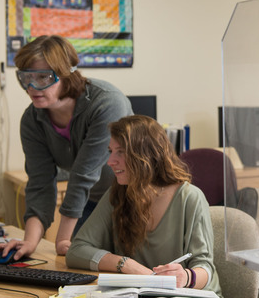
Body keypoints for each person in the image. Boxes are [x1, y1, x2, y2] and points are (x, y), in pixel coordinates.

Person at [0, 35, 132, 260]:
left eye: (43, 77)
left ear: (67, 73)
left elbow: (83, 175)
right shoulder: (32, 120)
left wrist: (62, 240)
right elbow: (40, 183)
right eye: (25, 78)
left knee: (129, 269)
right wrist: (30, 242)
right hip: (94, 200)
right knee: (77, 265)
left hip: (134, 199)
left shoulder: (106, 103)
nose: (31, 87)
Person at [66, 115, 223, 297]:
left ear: (145, 154)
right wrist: (126, 264)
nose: (110, 162)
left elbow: (205, 267)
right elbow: (76, 251)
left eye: (121, 152)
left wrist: (186, 277)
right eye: (111, 152)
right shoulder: (117, 195)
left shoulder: (189, 197)